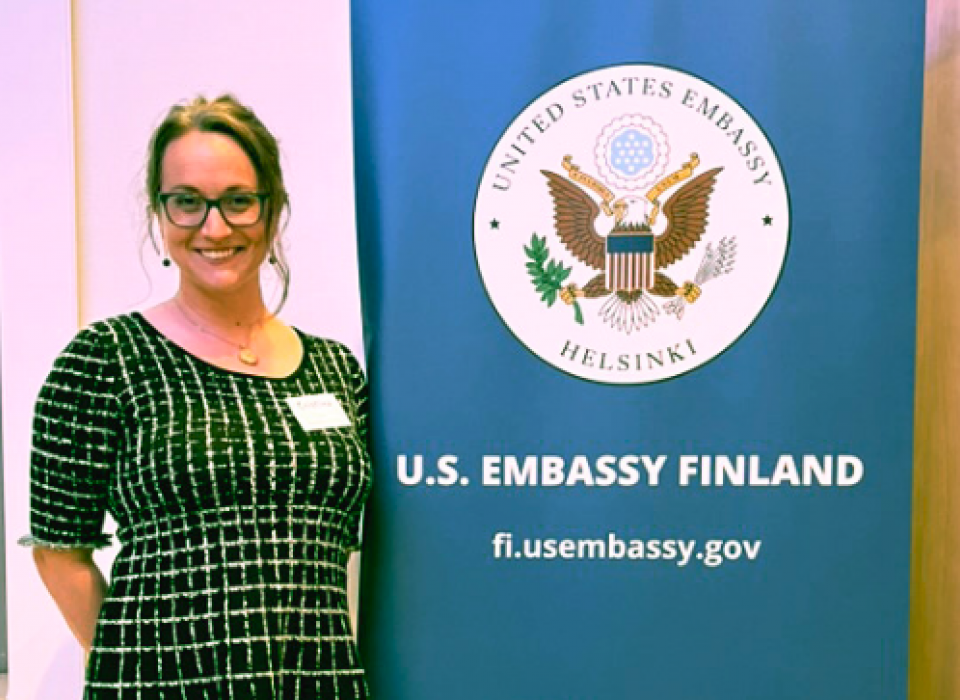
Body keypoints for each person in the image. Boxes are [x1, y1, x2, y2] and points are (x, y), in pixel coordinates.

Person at [20, 95, 372, 699]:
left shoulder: (337, 369)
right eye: (187, 202)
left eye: (238, 201)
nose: (215, 227)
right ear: (160, 214)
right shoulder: (104, 359)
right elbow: (59, 555)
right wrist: (142, 668)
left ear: (273, 209)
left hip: (324, 685)